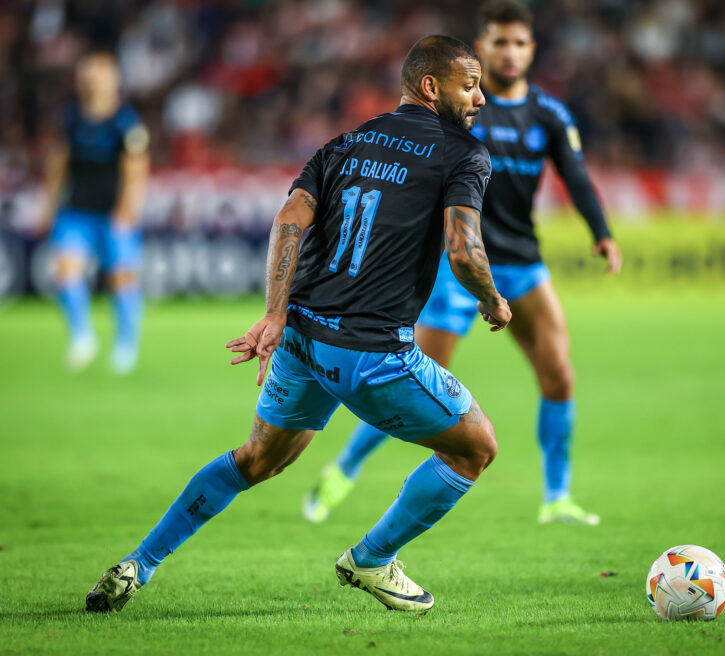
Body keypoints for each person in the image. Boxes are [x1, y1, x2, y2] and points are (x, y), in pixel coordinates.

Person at [85, 35, 510, 614]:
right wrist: (493, 300)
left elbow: (289, 219)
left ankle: (139, 563)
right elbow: (464, 252)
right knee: (475, 448)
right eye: (470, 84)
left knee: (258, 459)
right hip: (372, 353)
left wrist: (275, 313)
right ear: (431, 86)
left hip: (303, 341)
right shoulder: (463, 153)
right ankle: (372, 559)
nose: (481, 97)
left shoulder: (344, 144)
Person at [304, 0, 622, 526]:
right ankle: (345, 468)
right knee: (414, 381)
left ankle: (557, 497)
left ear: (532, 50)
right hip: (459, 264)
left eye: (520, 43)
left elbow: (577, 176)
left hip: (521, 260)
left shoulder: (549, 114)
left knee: (559, 374)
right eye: (499, 42)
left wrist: (603, 233)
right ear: (484, 45)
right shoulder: (461, 107)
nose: (510, 52)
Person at [40, 52, 150, 374]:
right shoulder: (71, 116)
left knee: (121, 279)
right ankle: (82, 337)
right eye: (85, 75)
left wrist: (127, 209)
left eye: (97, 76)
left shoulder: (125, 121)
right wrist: (48, 205)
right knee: (66, 271)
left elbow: (136, 169)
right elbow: (58, 164)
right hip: (76, 210)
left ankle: (126, 346)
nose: (90, 81)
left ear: (112, 80)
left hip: (113, 213)